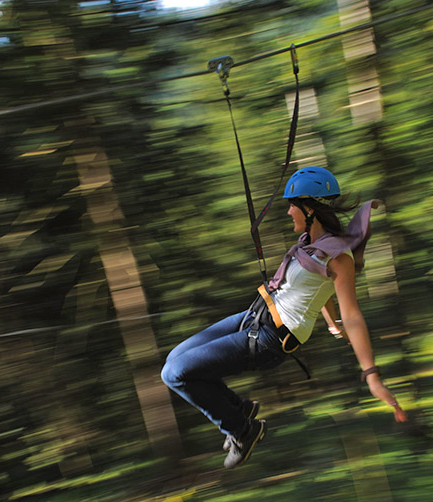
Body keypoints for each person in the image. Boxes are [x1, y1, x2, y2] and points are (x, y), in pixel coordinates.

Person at [161, 166, 406, 469]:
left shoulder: (339, 256)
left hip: (270, 339)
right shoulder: (308, 245)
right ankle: (239, 409)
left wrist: (371, 375)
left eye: (293, 205)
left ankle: (241, 429)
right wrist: (330, 323)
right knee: (174, 359)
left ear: (310, 209)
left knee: (175, 374)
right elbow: (320, 287)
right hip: (254, 316)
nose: (289, 211)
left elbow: (352, 313)